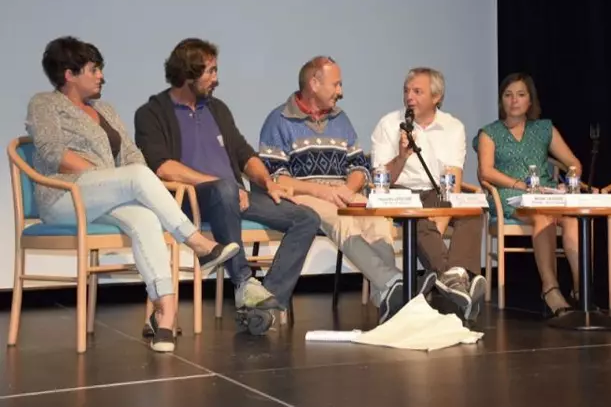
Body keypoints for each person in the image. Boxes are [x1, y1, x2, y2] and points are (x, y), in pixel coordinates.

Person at [27, 36, 240, 353]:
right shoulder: (45, 104)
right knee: (138, 178)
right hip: (64, 198)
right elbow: (50, 152)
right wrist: (113, 177)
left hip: (103, 198)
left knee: (145, 218)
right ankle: (197, 242)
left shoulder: (106, 111)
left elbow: (132, 156)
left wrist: (130, 178)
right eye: (93, 69)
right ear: (69, 74)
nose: (101, 76)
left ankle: (164, 318)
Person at [134, 38, 321, 335]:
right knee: (224, 190)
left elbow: (245, 155)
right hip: (188, 201)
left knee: (307, 217)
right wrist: (225, 186)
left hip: (236, 196)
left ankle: (262, 304)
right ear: (188, 75)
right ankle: (244, 281)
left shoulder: (217, 109)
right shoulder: (152, 113)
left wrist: (267, 182)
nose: (216, 79)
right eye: (210, 72)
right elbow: (162, 166)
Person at [258, 56, 435, 324]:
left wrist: (347, 188)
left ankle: (388, 299)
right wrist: (324, 192)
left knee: (378, 225)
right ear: (314, 83)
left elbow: (358, 167)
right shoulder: (279, 120)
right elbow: (278, 179)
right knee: (342, 221)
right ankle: (398, 284)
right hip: (303, 198)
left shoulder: (341, 119)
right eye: (336, 84)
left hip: (341, 193)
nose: (341, 91)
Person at [371, 67, 487, 321]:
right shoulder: (389, 124)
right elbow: (381, 179)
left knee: (472, 212)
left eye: (417, 91)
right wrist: (402, 156)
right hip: (400, 192)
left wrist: (440, 218)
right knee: (418, 215)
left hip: (438, 191)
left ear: (436, 97)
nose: (409, 96)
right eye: (406, 91)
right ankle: (455, 279)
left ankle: (451, 278)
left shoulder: (453, 126)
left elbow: (453, 178)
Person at [474, 72, 582, 317]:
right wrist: (518, 184)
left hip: (544, 194)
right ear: (501, 100)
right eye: (508, 95)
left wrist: (569, 181)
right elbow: (486, 171)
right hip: (508, 194)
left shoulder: (544, 129)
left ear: (530, 101)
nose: (514, 100)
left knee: (573, 220)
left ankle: (581, 288)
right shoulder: (489, 132)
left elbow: (572, 162)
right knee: (541, 217)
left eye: (521, 95)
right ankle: (550, 288)